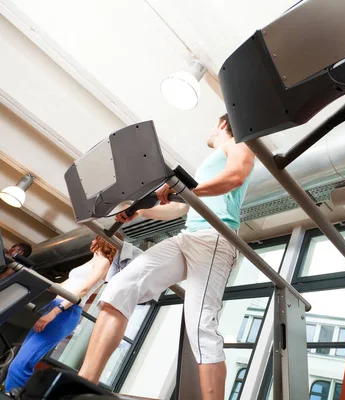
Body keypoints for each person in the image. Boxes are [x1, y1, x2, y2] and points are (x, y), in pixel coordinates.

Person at [78, 114, 255, 399]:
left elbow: (235, 177)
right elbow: (180, 209)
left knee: (200, 327)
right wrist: (139, 209)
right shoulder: (207, 165)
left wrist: (184, 190)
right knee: (121, 286)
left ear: (222, 123)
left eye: (213, 124)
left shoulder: (238, 144)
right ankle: (84, 385)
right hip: (188, 236)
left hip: (214, 240)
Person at [4, 236, 116, 393]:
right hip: (56, 306)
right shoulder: (92, 261)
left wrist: (55, 312)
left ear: (102, 242)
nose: (91, 242)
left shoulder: (103, 262)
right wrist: (32, 279)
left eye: (95, 239)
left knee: (20, 365)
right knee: (20, 362)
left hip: (65, 311)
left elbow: (82, 291)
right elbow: (63, 285)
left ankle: (16, 395)